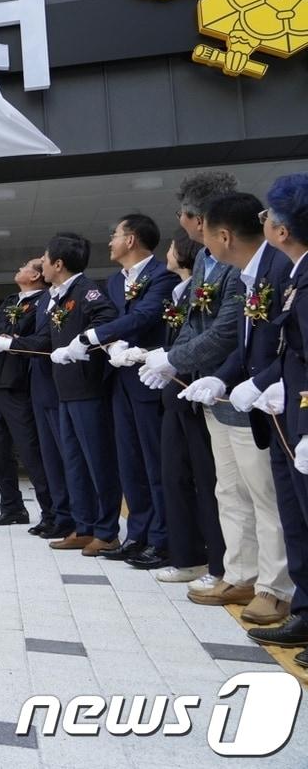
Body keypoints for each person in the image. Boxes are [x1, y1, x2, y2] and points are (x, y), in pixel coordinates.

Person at [179, 192, 292, 623]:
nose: (203, 245)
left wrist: (255, 382)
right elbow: (245, 347)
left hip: (267, 403)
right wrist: (222, 378)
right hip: (235, 399)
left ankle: (275, 586)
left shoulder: (278, 268)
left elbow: (286, 343)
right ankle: (241, 572)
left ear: (223, 236)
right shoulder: (249, 272)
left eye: (205, 235)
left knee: (265, 495)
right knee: (230, 490)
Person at [130, 172, 239, 588]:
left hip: (222, 386)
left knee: (222, 486)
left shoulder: (230, 267)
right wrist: (170, 361)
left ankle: (227, 567)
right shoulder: (210, 266)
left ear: (200, 219)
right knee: (179, 473)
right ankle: (191, 556)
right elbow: (194, 325)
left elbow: (227, 330)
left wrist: (172, 358)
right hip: (186, 383)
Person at [0, 233, 120, 555]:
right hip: (64, 390)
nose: (43, 264)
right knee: (74, 463)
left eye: (46, 260)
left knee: (96, 463)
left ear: (59, 264)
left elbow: (107, 319)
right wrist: (12, 343)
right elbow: (44, 341)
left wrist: (84, 340)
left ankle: (107, 531)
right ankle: (83, 525)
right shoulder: (59, 298)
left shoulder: (86, 291)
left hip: (86, 388)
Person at [73, 214, 179, 564]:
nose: (110, 242)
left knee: (153, 462)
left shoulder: (161, 276)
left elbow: (145, 316)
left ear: (131, 239)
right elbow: (105, 318)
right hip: (118, 381)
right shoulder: (114, 282)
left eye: (114, 235)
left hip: (149, 380)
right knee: (129, 463)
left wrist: (102, 336)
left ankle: (161, 537)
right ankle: (137, 533)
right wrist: (108, 344)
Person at [246, 173, 308, 662]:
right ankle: (305, 610)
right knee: (296, 519)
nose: (264, 224)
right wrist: (269, 380)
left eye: (267, 217)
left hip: (304, 422)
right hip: (288, 418)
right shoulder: (294, 274)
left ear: (282, 231)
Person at [0, 261, 53, 528]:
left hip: (21, 384)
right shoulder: (11, 299)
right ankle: (11, 507)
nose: (19, 268)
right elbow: (2, 329)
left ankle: (51, 512)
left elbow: (19, 333)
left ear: (36, 275)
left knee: (30, 451)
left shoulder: (43, 302)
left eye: (26, 266)